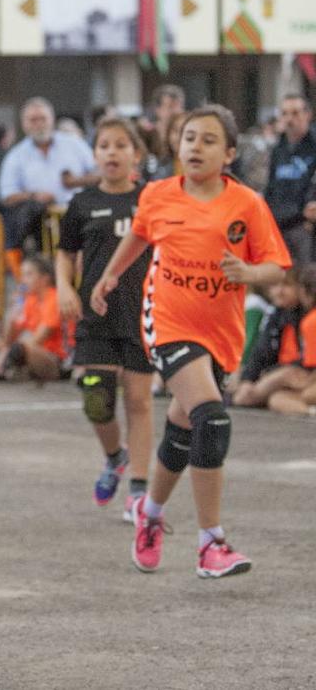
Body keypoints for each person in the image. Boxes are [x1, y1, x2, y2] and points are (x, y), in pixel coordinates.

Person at [91, 104, 290, 578]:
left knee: (183, 433)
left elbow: (275, 265)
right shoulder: (159, 195)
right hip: (168, 321)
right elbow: (139, 235)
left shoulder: (247, 204)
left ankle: (151, 515)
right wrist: (110, 276)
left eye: (207, 140)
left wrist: (248, 272)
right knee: (212, 420)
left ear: (230, 153)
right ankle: (211, 543)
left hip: (220, 334)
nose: (195, 147)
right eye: (188, 138)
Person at [56, 118, 154, 520]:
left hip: (142, 312)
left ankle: (139, 491)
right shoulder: (82, 203)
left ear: (136, 154)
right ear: (94, 154)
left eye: (120, 145)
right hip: (96, 312)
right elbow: (65, 251)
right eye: (104, 146)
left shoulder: (151, 200)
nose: (112, 152)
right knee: (97, 397)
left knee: (139, 401)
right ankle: (115, 457)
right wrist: (64, 287)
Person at [0, 97, 96, 278]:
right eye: (33, 120)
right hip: (42, 229)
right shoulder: (16, 156)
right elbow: (7, 194)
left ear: (52, 119)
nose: (38, 124)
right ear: (24, 124)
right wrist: (34, 195)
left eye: (42, 118)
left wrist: (77, 181)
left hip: (80, 220)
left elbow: (100, 174)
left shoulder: (74, 145)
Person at [0, 255, 66, 382]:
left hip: (56, 358)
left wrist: (5, 352)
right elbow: (8, 340)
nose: (23, 280)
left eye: (28, 275)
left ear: (45, 278)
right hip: (33, 351)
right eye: (22, 275)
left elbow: (38, 339)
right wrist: (14, 314)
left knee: (20, 347)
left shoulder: (53, 298)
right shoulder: (30, 299)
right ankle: (7, 369)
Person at [231, 270, 303, 408]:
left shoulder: (305, 315)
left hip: (295, 372)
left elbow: (305, 357)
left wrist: (269, 374)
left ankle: (250, 397)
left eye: (287, 286)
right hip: (277, 370)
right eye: (275, 286)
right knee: (235, 380)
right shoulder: (275, 313)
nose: (279, 291)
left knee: (249, 396)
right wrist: (247, 380)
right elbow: (261, 351)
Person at [264, 93, 316, 266]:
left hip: (305, 227)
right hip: (278, 225)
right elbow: (271, 187)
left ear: (307, 115)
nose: (289, 119)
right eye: (285, 113)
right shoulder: (278, 149)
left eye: (295, 113)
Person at [261, 265, 316, 416]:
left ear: (305, 293)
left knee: (279, 398)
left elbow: (312, 367)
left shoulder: (311, 321)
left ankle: (309, 411)